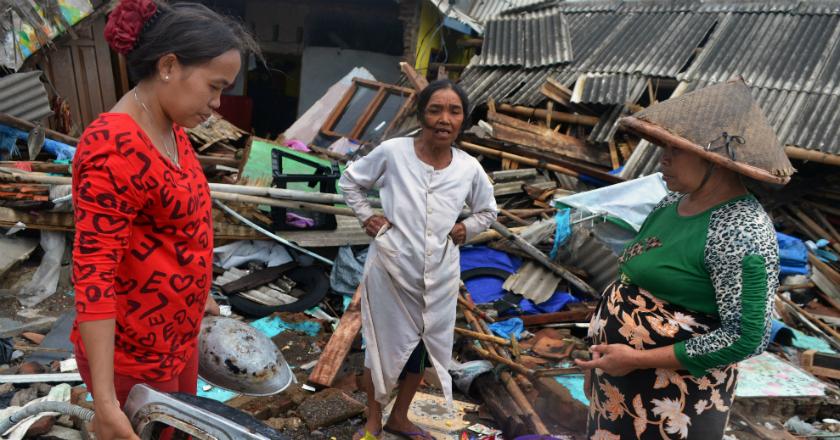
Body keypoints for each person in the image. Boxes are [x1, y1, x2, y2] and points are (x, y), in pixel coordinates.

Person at [70, 1, 258, 439]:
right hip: (132, 358)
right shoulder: (112, 146)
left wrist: (199, 293)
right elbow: (94, 277)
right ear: (170, 65)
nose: (216, 104)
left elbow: (176, 232)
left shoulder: (169, 129)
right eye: (214, 87)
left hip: (176, 337)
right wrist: (105, 403)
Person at [575, 79, 796, 439]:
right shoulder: (670, 204)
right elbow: (632, 280)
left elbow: (745, 337)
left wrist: (636, 359)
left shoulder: (742, 230)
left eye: (675, 150)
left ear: (716, 161)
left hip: (676, 402)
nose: (662, 159)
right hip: (619, 383)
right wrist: (600, 360)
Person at [339, 79, 497, 440]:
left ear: (463, 120)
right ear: (421, 115)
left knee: (423, 349)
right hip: (391, 270)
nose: (444, 118)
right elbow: (350, 181)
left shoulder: (469, 168)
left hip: (440, 276)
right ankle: (374, 422)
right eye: (435, 110)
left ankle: (400, 417)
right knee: (379, 347)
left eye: (454, 111)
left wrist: (466, 228)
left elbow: (488, 211)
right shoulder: (393, 152)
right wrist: (367, 216)